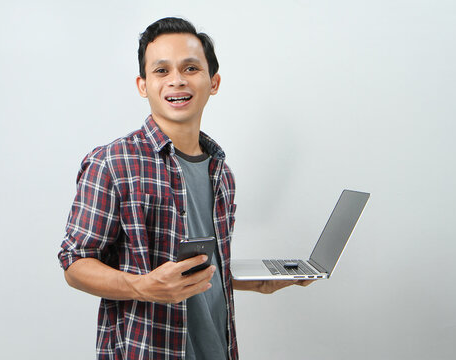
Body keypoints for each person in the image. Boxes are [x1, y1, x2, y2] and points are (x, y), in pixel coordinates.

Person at [58, 17, 313, 360]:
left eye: (190, 67)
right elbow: (75, 263)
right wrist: (142, 287)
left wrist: (252, 279)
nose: (176, 80)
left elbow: (192, 267)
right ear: (143, 85)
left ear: (214, 82)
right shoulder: (112, 163)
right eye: (161, 71)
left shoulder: (222, 173)